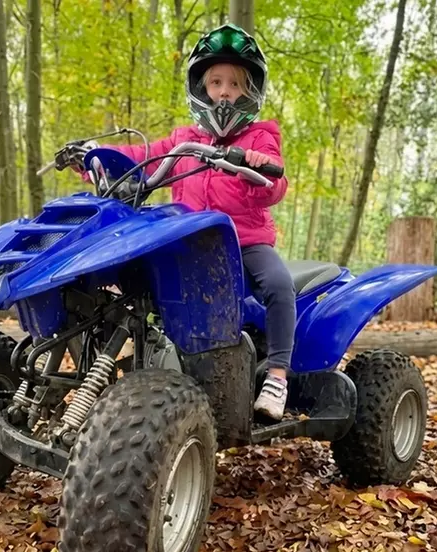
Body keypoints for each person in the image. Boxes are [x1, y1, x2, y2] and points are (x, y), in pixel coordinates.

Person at [106, 24, 295, 420]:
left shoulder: (260, 137)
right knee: (130, 276)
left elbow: (275, 186)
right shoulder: (184, 140)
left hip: (244, 241)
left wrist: (258, 167)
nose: (225, 92)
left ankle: (277, 376)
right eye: (216, 82)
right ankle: (127, 364)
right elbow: (142, 157)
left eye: (235, 84)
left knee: (279, 284)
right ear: (201, 88)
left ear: (250, 91)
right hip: (189, 244)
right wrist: (97, 155)